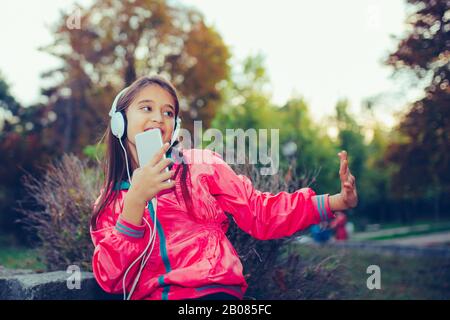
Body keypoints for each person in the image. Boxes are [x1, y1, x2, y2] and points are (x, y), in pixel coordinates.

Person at [90, 75, 358, 300]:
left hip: (212, 291)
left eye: (168, 112)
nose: (160, 118)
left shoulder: (200, 165)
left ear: (175, 127)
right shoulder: (110, 202)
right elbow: (110, 278)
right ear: (119, 122)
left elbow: (260, 212)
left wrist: (335, 202)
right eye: (146, 108)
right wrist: (134, 204)